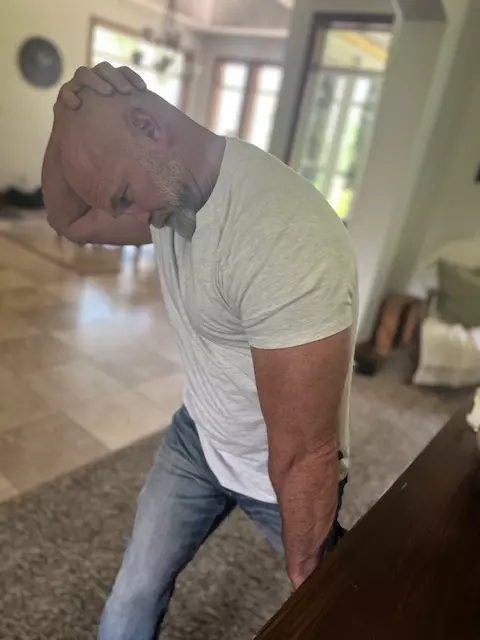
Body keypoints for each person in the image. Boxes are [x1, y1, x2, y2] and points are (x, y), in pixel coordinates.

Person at [42, 62, 358, 640]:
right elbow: (71, 219)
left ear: (149, 126)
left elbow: (303, 454)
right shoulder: (167, 196)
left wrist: (308, 583)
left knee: (342, 609)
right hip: (198, 438)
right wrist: (64, 116)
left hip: (277, 467)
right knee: (130, 599)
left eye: (123, 195)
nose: (127, 218)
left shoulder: (283, 234)